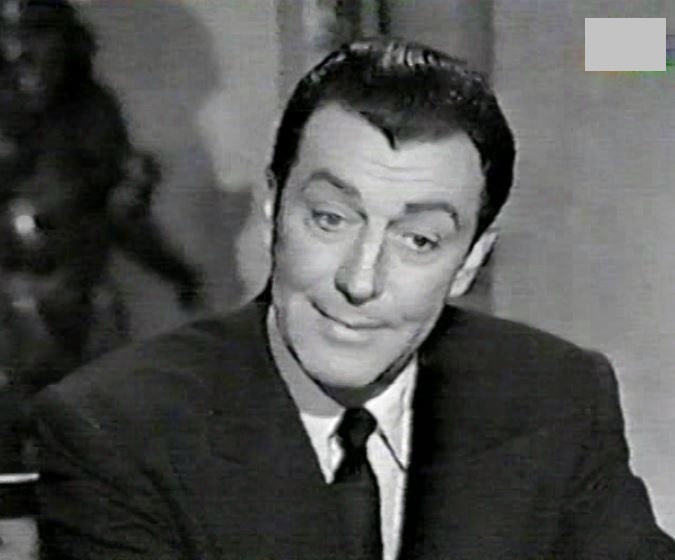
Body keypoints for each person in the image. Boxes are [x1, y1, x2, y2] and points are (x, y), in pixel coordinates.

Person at [31, 38, 675, 560]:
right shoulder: (116, 428)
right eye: (331, 219)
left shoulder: (554, 395)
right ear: (274, 207)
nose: (361, 281)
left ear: (470, 263)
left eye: (419, 240)